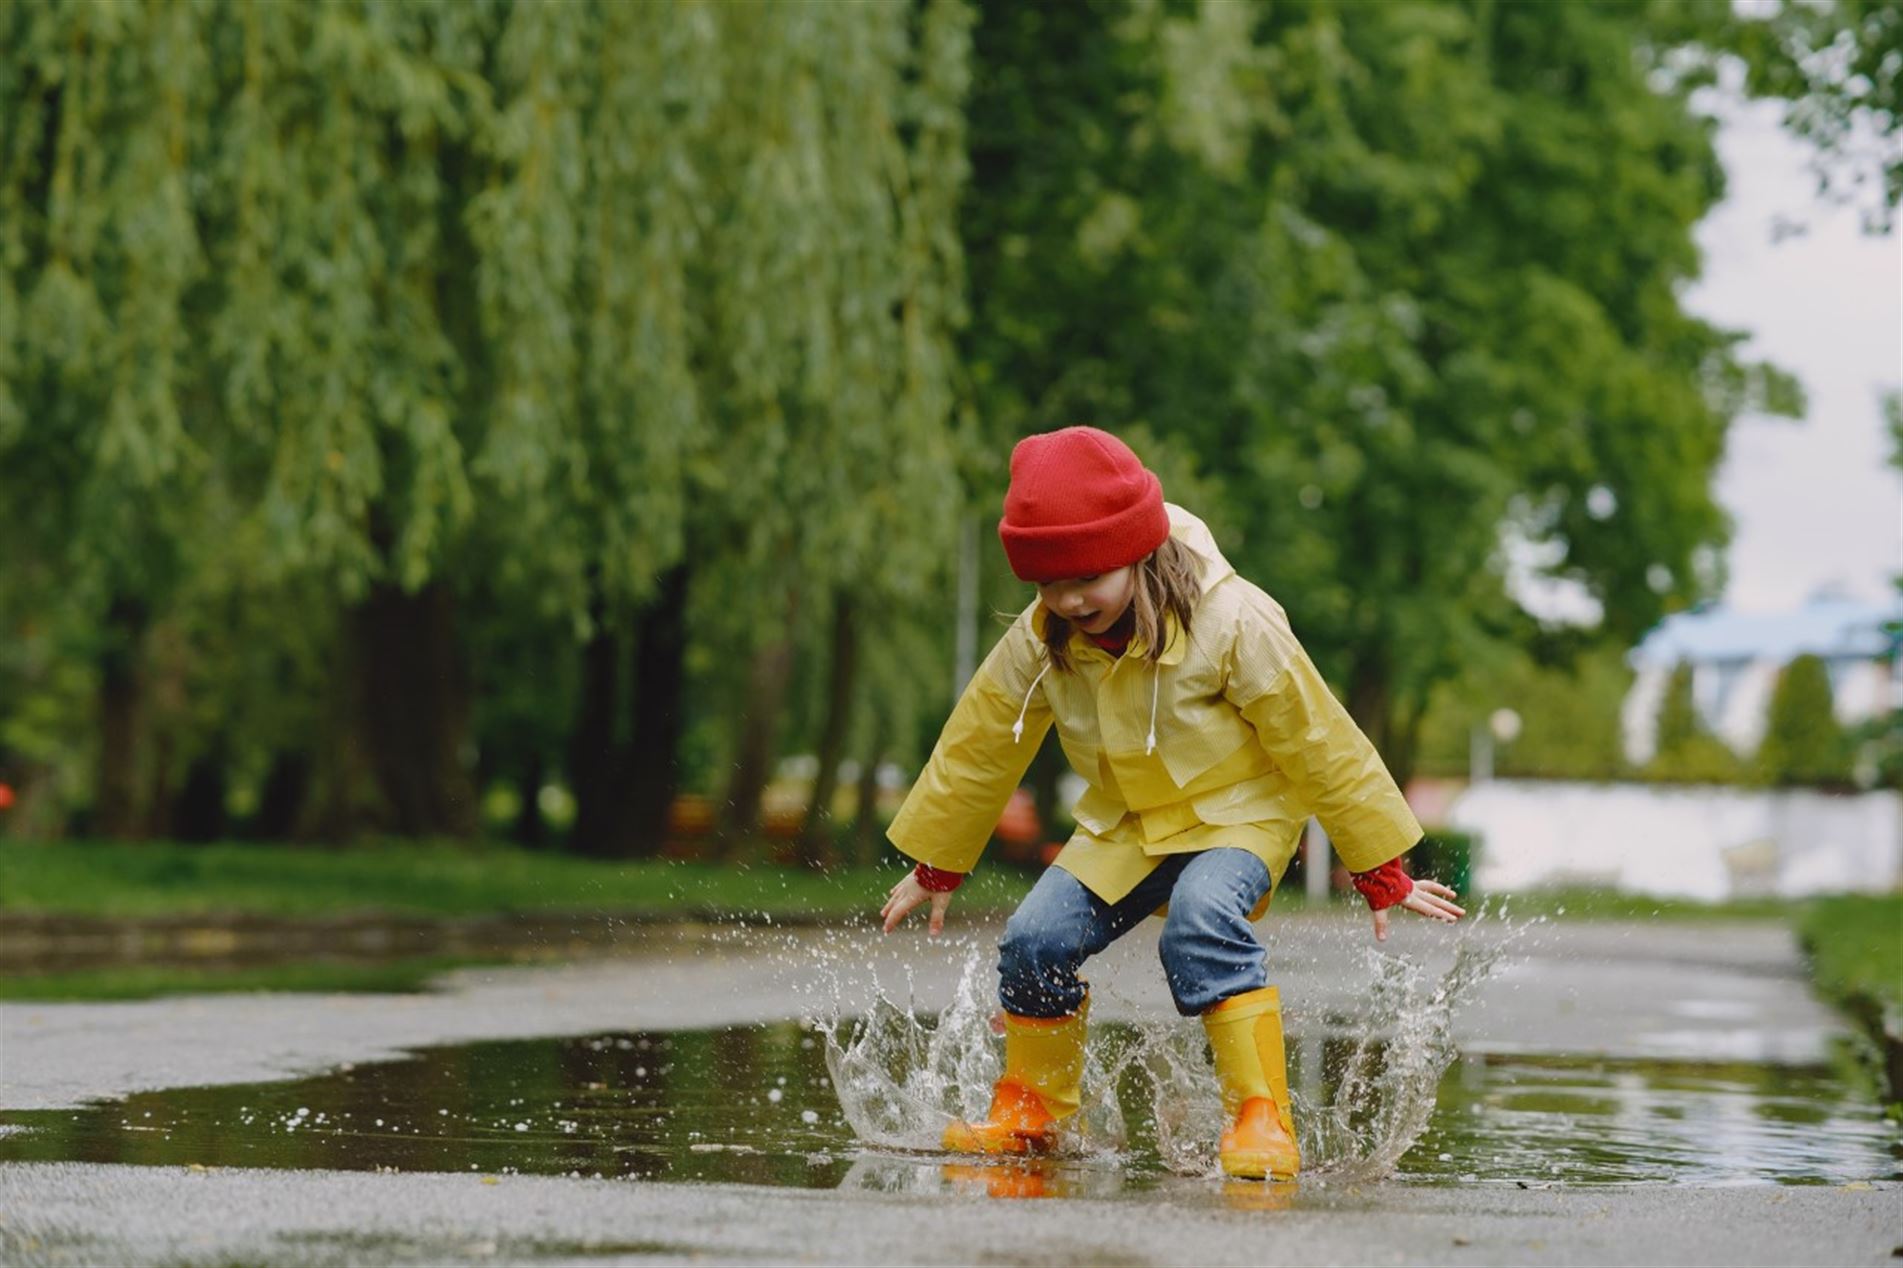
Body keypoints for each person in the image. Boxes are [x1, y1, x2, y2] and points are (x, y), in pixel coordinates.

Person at [877, 426, 1465, 1181]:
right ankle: (1033, 1110)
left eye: (1085, 576)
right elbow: (983, 739)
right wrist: (938, 862)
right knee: (1032, 941)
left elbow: (1316, 736)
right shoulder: (1045, 633)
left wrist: (1378, 864)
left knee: (1199, 923)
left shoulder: (1233, 621)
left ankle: (1259, 1118)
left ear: (1136, 550)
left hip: (1238, 816)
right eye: (1046, 583)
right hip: (1126, 827)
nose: (1068, 598)